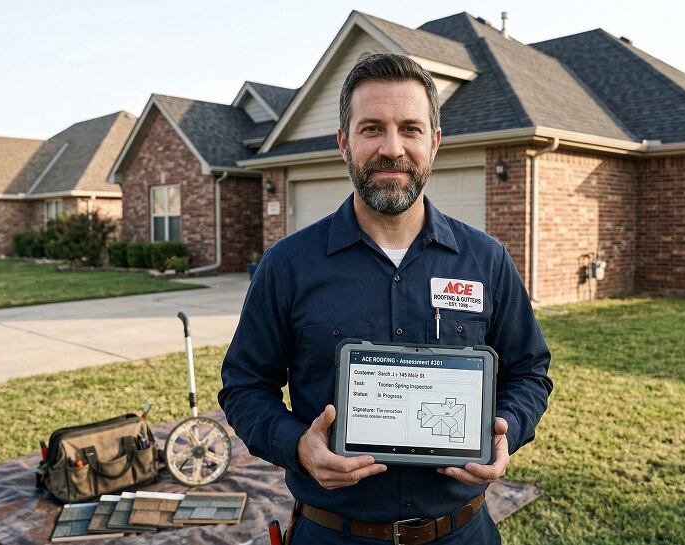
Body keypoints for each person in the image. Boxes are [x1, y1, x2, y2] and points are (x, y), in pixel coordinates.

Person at [219, 53, 552, 545]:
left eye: (410, 129)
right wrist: (299, 447)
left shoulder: (486, 262)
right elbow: (244, 386)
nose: (391, 148)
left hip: (462, 532)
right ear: (344, 142)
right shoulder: (288, 266)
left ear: (434, 143)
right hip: (331, 533)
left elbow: (529, 372)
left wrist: (508, 427)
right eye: (372, 128)